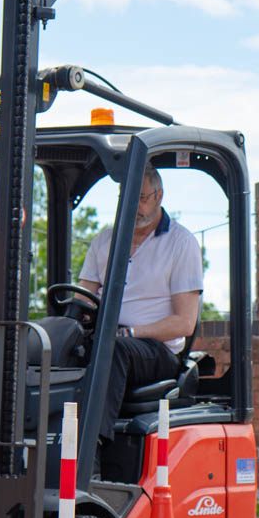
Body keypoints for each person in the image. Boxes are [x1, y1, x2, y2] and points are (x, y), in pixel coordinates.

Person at [78, 163, 203, 442]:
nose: (135, 206)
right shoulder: (104, 241)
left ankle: (90, 452)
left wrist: (132, 332)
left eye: (142, 198)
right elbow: (82, 297)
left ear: (159, 196)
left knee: (113, 349)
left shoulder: (181, 243)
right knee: (54, 345)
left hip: (155, 350)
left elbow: (184, 322)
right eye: (129, 198)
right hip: (110, 338)